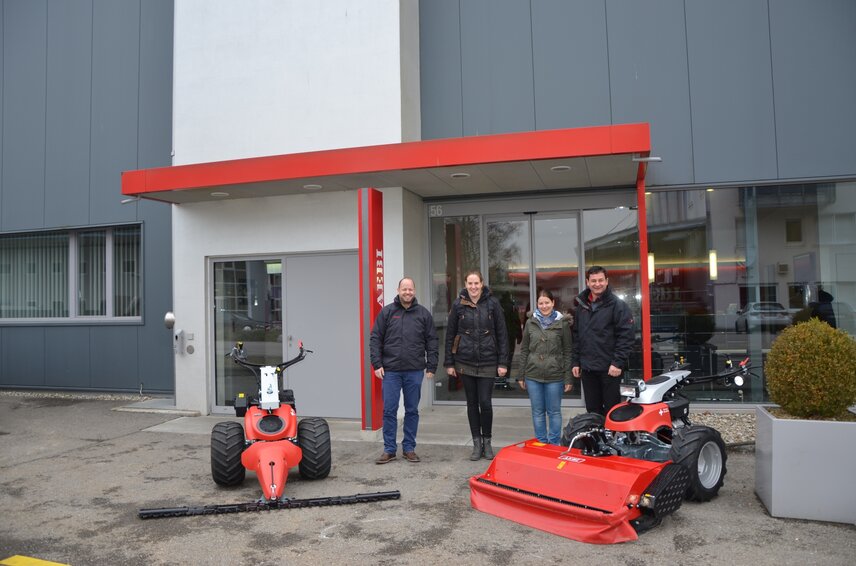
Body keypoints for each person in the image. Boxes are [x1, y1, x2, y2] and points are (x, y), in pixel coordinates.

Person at [370, 277, 439, 464]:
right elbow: (375, 339)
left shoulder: (423, 314)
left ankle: (409, 448)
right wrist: (377, 364)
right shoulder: (387, 313)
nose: (407, 292)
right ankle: (389, 449)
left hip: (414, 371)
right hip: (391, 371)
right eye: (404, 289)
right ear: (398, 290)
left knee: (411, 411)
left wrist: (431, 366)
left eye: (410, 289)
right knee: (389, 410)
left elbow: (432, 342)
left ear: (414, 291)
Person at [444, 270, 509, 460]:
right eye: (470, 284)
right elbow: (450, 335)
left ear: (482, 284)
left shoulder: (493, 304)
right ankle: (476, 443)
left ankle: (487, 442)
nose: (473, 287)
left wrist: (503, 362)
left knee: (485, 403)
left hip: (489, 361)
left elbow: (502, 334)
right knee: (471, 404)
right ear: (465, 284)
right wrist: (449, 362)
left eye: (476, 283)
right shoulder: (458, 305)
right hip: (465, 361)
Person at [571, 266, 635, 416]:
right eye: (593, 281)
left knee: (612, 412)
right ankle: (596, 439)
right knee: (593, 411)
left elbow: (626, 336)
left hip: (610, 370)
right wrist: (575, 362)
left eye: (600, 280)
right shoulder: (581, 306)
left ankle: (612, 439)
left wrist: (617, 362)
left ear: (607, 281)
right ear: (587, 282)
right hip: (588, 369)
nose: (597, 284)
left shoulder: (618, 306)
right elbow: (577, 335)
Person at [516, 289, 572, 445]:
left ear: (553, 303)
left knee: (554, 412)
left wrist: (568, 377)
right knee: (538, 412)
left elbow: (568, 351)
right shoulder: (530, 322)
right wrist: (521, 375)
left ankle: (553, 444)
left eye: (547, 302)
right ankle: (541, 443)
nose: (544, 306)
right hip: (533, 375)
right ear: (537, 304)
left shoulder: (563, 323)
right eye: (541, 303)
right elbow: (525, 349)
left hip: (555, 376)